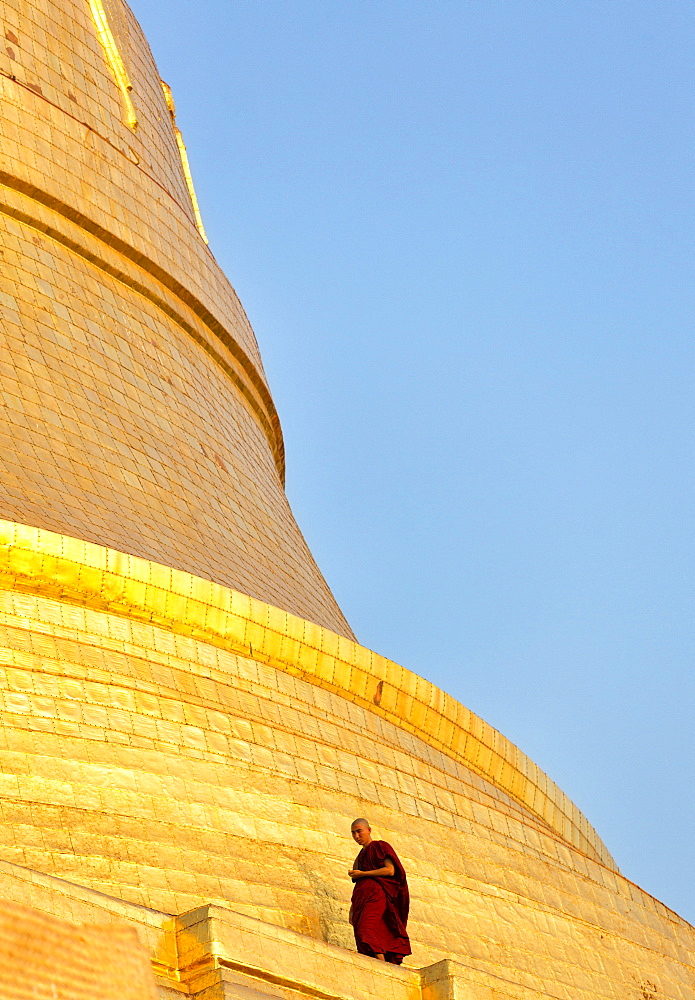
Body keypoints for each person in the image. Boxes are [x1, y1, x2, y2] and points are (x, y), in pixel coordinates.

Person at [348, 818, 411, 964]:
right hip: (361, 898)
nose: (357, 836)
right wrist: (352, 909)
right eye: (353, 833)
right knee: (360, 932)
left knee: (367, 929)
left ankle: (382, 963)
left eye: (359, 831)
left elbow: (390, 870)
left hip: (376, 896)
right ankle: (376, 962)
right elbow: (357, 883)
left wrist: (363, 874)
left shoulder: (380, 846)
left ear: (369, 830)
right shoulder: (360, 856)